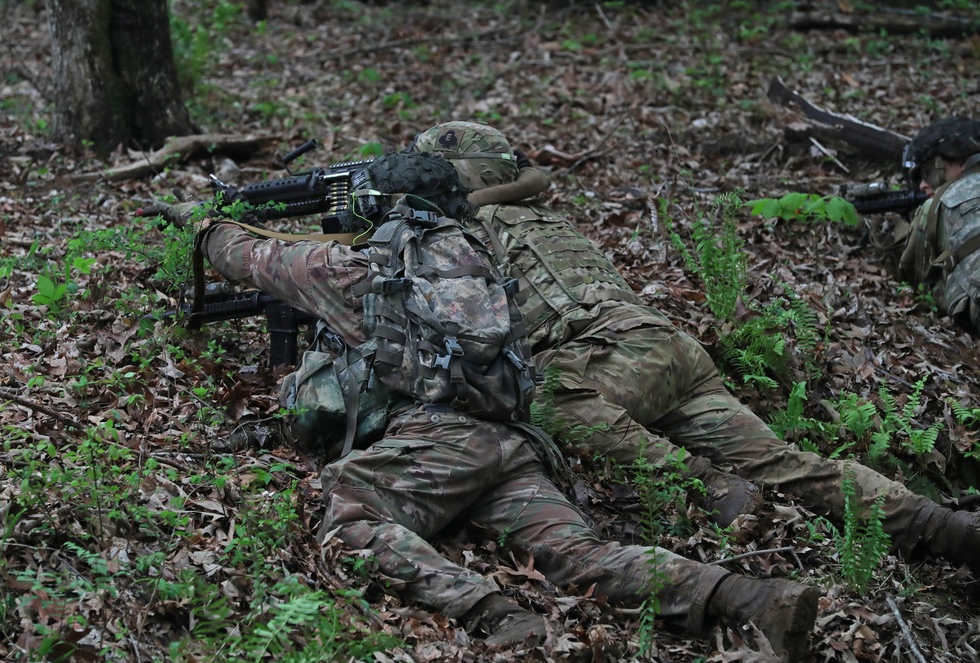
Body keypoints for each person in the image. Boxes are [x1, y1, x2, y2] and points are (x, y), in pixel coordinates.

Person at [173, 151, 820, 663]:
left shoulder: (357, 270)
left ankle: (491, 612)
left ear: (381, 209)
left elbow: (247, 256)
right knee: (579, 556)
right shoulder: (484, 254)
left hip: (440, 444)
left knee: (347, 509)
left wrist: (203, 225)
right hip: (513, 441)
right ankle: (750, 598)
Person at [409, 120, 980, 573]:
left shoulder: (464, 230)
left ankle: (713, 489)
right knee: (788, 465)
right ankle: (947, 528)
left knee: (550, 402)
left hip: (610, 351)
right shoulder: (540, 215)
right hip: (667, 348)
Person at [898, 116, 980, 333]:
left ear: (961, 162)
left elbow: (913, 274)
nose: (923, 184)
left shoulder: (937, 204)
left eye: (927, 172)